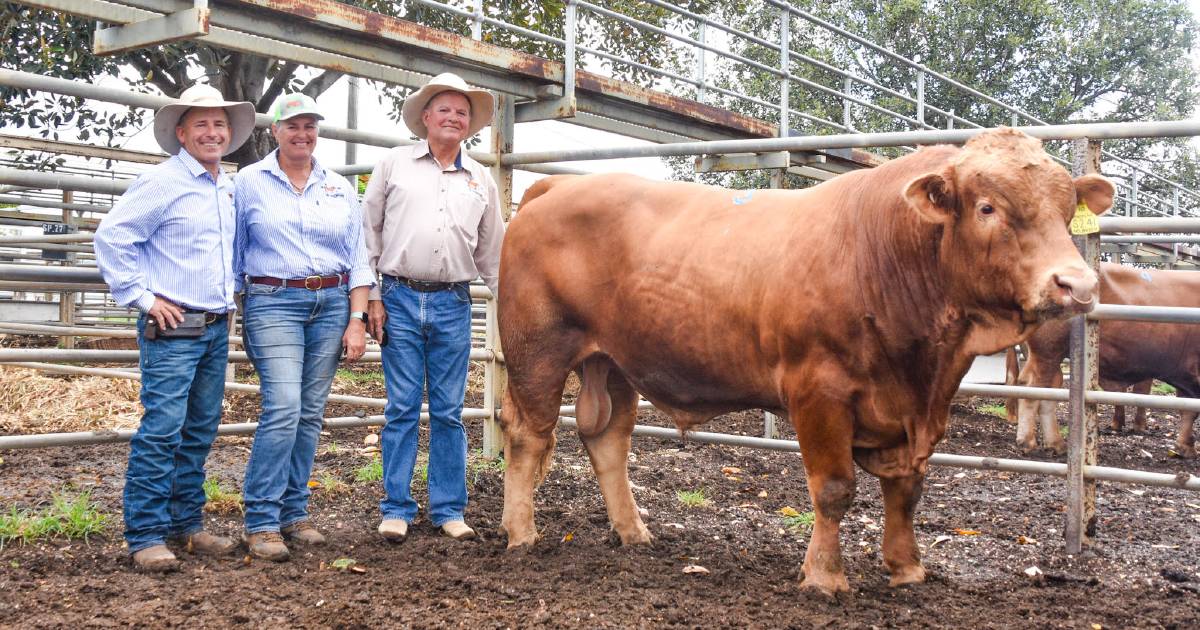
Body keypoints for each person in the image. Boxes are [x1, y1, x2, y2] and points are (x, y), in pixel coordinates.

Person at [94, 84, 255, 572]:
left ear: (229, 134)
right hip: (174, 321)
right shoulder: (163, 182)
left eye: (219, 124)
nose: (212, 132)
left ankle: (186, 525)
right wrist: (142, 297)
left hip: (212, 321)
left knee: (200, 428)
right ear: (181, 133)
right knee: (163, 428)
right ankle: (144, 534)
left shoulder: (225, 186)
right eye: (201, 124)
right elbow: (113, 236)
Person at [363, 72, 505, 541]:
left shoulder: (479, 177)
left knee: (448, 411)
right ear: (425, 117)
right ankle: (396, 507)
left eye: (462, 112)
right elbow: (370, 233)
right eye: (444, 109)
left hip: (453, 301)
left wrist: (508, 302)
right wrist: (374, 295)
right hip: (399, 297)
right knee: (401, 406)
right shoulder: (394, 165)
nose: (453, 117)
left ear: (470, 125)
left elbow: (492, 252)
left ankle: (448, 510)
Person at [232, 93, 373, 561]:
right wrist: (238, 303)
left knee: (310, 411)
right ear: (274, 131)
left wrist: (356, 319)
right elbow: (233, 250)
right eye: (292, 125)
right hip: (272, 301)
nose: (302, 134)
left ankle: (294, 512)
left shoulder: (338, 187)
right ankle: (261, 520)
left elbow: (357, 258)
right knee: (284, 406)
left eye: (310, 125)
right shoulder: (248, 182)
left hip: (331, 302)